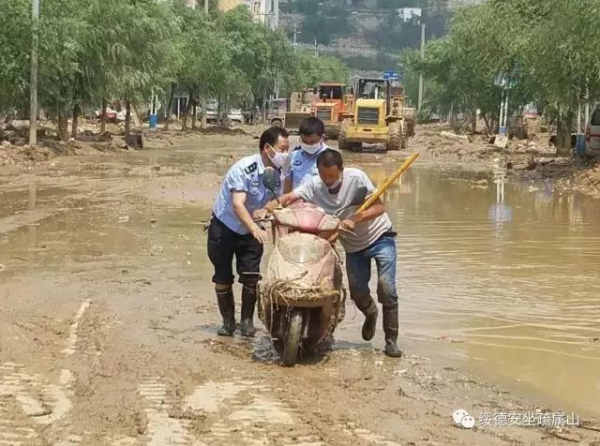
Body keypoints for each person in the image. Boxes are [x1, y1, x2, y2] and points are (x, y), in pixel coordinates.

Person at [258, 149, 402, 357]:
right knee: (358, 292)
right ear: (318, 171)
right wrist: (267, 209)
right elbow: (288, 198)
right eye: (324, 175)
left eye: (332, 176)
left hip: (380, 237)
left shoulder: (357, 179)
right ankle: (370, 312)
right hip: (353, 246)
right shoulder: (315, 185)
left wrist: (355, 218)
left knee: (386, 287)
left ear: (341, 171)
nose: (327, 180)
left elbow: (380, 207)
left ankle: (391, 341)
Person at [207, 127, 290, 337]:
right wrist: (255, 229)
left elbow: (276, 201)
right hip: (225, 228)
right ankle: (228, 323)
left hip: (252, 230)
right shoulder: (245, 168)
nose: (286, 154)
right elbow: (237, 204)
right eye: (283, 149)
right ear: (267, 148)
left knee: (251, 277)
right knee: (223, 276)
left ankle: (247, 322)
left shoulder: (278, 173)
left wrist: (269, 214)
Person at [284, 117, 329, 193]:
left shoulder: (330, 156)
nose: (308, 145)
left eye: (312, 142)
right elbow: (288, 181)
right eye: (305, 141)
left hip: (320, 204)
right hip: (297, 203)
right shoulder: (293, 156)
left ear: (322, 137)